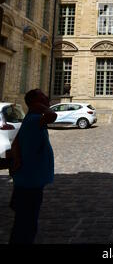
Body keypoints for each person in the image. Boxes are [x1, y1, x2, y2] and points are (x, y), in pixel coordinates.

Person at [8, 89, 57, 244]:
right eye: (43, 96)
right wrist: (42, 107)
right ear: (36, 102)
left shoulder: (31, 118)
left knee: (25, 222)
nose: (47, 97)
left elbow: (16, 143)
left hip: (28, 179)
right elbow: (52, 116)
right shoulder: (34, 120)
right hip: (29, 181)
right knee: (26, 224)